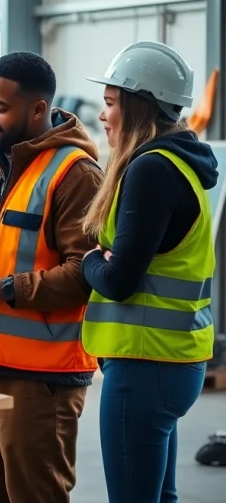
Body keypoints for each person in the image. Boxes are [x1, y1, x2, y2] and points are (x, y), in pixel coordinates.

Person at [0, 51, 103, 503]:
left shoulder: (75, 174)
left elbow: (85, 272)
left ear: (37, 109)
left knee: (35, 494)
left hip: (39, 378)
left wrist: (4, 289)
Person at [80, 41, 218, 503]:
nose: (103, 115)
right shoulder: (183, 165)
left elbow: (117, 281)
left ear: (139, 106)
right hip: (173, 360)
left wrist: (89, 259)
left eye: (111, 103)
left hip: (144, 364)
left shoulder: (150, 170)